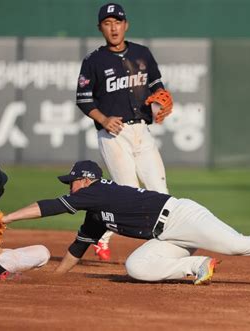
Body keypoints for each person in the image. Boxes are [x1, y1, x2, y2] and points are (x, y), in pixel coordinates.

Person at [1, 160, 250, 287]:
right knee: (136, 267)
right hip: (166, 235)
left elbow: (52, 206)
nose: (69, 186)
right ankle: (196, 266)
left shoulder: (96, 190)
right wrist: (55, 281)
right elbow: (77, 248)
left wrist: (10, 217)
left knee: (239, 244)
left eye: (72, 181)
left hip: (182, 216)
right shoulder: (95, 210)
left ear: (86, 180)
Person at [76, 3, 174, 260]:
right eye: (107, 24)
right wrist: (103, 119)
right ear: (100, 29)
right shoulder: (93, 61)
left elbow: (156, 86)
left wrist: (159, 102)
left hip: (142, 131)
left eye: (117, 22)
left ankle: (167, 248)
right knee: (128, 191)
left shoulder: (142, 53)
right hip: (114, 135)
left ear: (125, 25)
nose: (113, 28)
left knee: (159, 192)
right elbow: (84, 99)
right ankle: (101, 235)